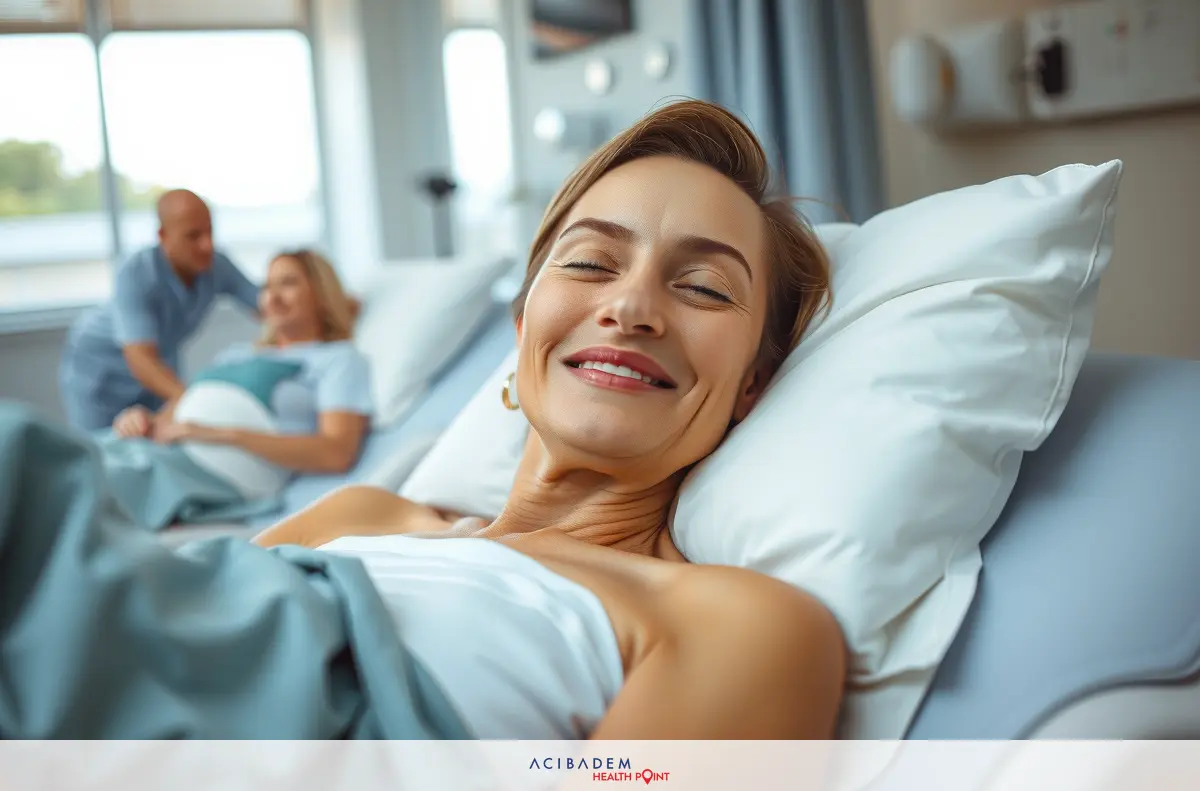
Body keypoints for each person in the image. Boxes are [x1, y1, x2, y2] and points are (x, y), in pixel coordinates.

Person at [1, 99, 843, 741]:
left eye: (702, 286)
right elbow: (168, 625)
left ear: (751, 388)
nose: (630, 305)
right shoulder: (362, 512)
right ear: (522, 336)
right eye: (589, 262)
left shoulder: (736, 622)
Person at [112, 248, 373, 476]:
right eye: (268, 286)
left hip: (213, 471)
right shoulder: (236, 355)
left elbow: (336, 454)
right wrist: (142, 420)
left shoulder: (337, 359)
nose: (274, 297)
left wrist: (224, 435)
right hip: (162, 452)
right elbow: (172, 418)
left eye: (289, 283)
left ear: (321, 294)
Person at [59, 189, 260, 432]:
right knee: (102, 452)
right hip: (102, 374)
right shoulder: (137, 272)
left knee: (161, 443)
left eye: (210, 232)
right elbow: (140, 357)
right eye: (193, 236)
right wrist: (194, 400)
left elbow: (266, 305)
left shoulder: (217, 265)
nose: (207, 245)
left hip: (160, 367)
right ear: (163, 236)